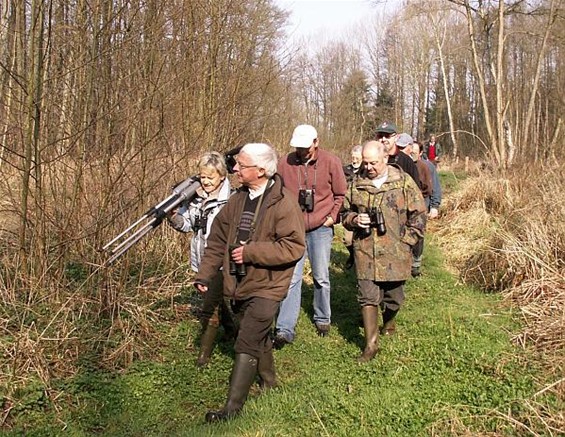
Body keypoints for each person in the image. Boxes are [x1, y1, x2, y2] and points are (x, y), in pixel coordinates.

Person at [194, 143, 305, 423]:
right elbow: (217, 239)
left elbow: (294, 247)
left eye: (241, 166)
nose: (234, 169)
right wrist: (205, 274)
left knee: (246, 339)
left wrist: (252, 251)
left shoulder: (284, 203)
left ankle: (231, 410)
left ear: (261, 170)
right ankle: (269, 381)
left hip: (268, 284)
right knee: (254, 332)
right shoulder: (237, 200)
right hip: (237, 281)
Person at [341, 141, 427, 362]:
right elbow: (344, 213)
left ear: (386, 159)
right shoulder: (356, 184)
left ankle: (389, 320)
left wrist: (407, 242)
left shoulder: (403, 182)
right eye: (365, 162)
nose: (368, 167)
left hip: (395, 253)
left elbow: (419, 215)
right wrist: (353, 219)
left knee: (394, 298)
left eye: (373, 163)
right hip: (366, 250)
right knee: (367, 296)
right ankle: (371, 345)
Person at [273, 124, 347, 347]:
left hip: (321, 227)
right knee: (291, 278)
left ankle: (322, 318)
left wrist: (332, 217)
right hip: (292, 230)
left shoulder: (331, 161)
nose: (302, 151)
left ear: (316, 143)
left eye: (306, 147)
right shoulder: (285, 163)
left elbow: (341, 193)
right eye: (298, 147)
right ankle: (284, 328)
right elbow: (275, 192)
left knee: (321, 276)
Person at [167, 152, 236, 367]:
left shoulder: (232, 200)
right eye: (202, 177)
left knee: (210, 307)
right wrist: (173, 217)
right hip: (200, 257)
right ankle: (233, 332)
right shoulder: (195, 197)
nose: (205, 181)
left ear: (222, 177)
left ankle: (203, 355)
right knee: (221, 301)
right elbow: (187, 225)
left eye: (211, 177)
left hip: (221, 261)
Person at [402, 140, 433, 277]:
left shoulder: (424, 167)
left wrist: (428, 203)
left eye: (415, 150)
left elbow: (429, 187)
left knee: (417, 232)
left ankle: (416, 264)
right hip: (402, 204)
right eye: (411, 149)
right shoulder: (401, 163)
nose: (412, 152)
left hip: (420, 201)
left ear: (420, 152)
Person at [375, 122, 420, 187]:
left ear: (396, 137)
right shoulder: (370, 161)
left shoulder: (406, 161)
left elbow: (416, 189)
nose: (383, 139)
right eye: (380, 136)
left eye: (387, 136)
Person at [343, 145, 363, 269]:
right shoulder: (345, 170)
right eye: (353, 157)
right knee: (348, 240)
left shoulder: (366, 169)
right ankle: (352, 255)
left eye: (357, 157)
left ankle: (359, 260)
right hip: (349, 209)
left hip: (362, 208)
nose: (354, 160)